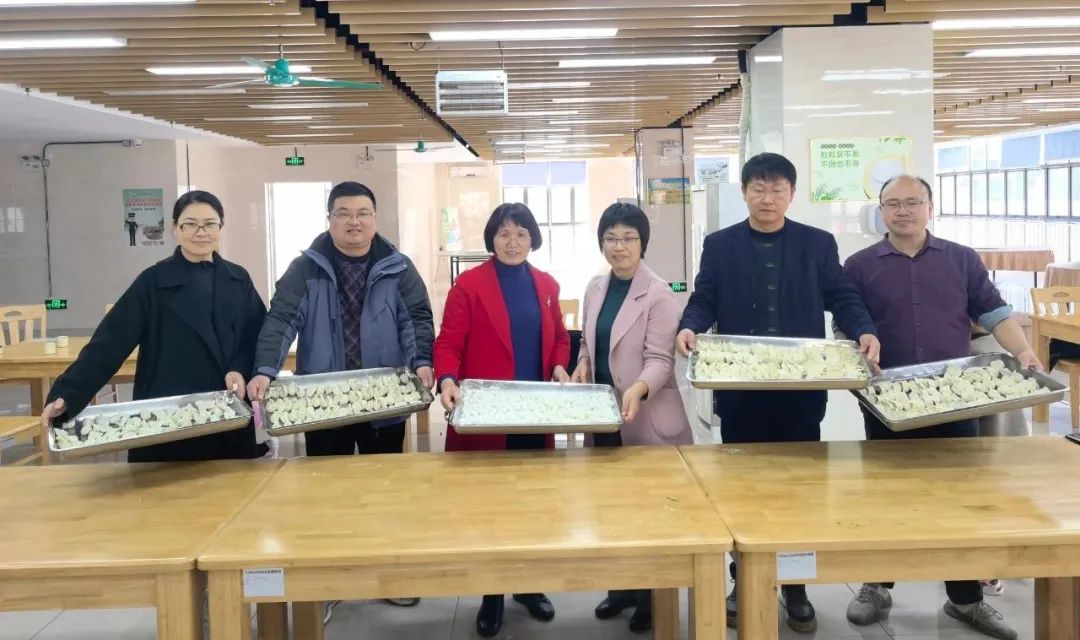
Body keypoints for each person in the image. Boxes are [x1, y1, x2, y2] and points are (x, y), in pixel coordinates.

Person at [675, 152, 881, 634]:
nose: (767, 198)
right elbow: (705, 297)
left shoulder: (817, 243)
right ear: (744, 192)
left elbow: (842, 296)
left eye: (777, 190)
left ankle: (795, 586)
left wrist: (863, 329)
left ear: (791, 194)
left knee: (799, 494)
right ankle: (744, 581)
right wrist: (690, 325)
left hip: (799, 394)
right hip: (740, 392)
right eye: (758, 189)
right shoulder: (720, 245)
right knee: (741, 492)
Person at [841, 175, 1036, 640]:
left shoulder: (961, 259)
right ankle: (877, 585)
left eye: (912, 202)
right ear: (881, 211)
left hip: (955, 399)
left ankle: (965, 597)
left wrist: (1024, 351)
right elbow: (847, 322)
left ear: (930, 207)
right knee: (888, 496)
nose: (902, 211)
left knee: (958, 500)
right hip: (888, 400)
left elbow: (993, 312)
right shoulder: (860, 265)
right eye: (892, 203)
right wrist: (857, 353)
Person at [246, 181, 434, 614]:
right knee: (325, 495)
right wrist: (265, 369)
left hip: (384, 398)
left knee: (384, 490)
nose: (354, 222)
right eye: (344, 213)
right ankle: (328, 582)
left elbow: (417, 319)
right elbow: (281, 319)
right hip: (323, 401)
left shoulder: (397, 267)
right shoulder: (305, 269)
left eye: (363, 213)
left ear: (375, 218)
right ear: (329, 219)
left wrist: (422, 360)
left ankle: (388, 574)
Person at [40, 191, 266, 462]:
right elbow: (110, 343)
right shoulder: (153, 282)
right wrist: (68, 393)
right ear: (175, 228)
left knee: (234, 486)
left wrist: (239, 369)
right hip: (170, 415)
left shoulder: (238, 278)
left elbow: (255, 336)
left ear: (221, 227)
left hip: (230, 413)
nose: (201, 232)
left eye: (210, 224)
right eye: (190, 224)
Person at [434, 202, 570, 638]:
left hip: (533, 412)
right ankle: (491, 593)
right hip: (486, 415)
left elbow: (560, 338)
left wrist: (559, 365)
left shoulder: (546, 285)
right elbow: (448, 342)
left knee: (533, 505)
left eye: (521, 234)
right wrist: (447, 378)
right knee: (488, 507)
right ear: (492, 238)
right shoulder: (469, 285)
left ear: (533, 239)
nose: (513, 242)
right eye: (504, 233)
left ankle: (528, 586)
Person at [571, 202, 692, 634]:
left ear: (643, 243)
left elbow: (661, 360)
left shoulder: (658, 293)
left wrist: (638, 389)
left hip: (645, 416)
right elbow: (588, 343)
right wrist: (583, 363)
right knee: (610, 508)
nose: (618, 246)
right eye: (611, 238)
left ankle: (651, 598)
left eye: (628, 238)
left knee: (648, 512)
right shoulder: (595, 287)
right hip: (604, 416)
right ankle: (621, 588)